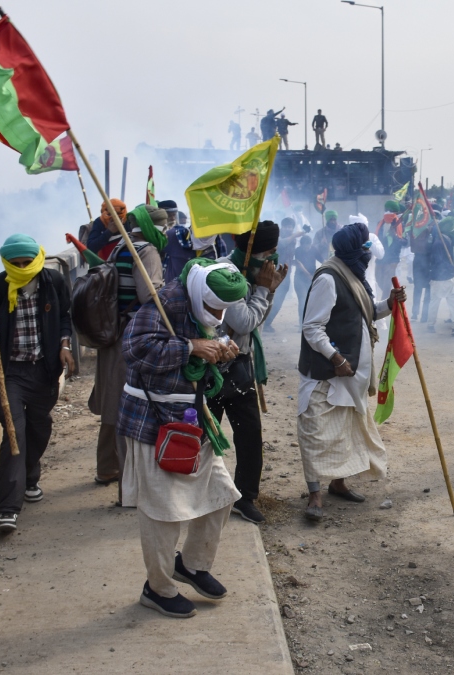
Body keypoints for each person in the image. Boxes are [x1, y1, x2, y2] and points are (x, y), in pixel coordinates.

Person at [118, 257, 248, 619]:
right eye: (212, 305)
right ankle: (157, 588)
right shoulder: (168, 301)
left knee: (222, 494)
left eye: (223, 309)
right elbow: (134, 349)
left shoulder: (206, 309)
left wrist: (220, 351)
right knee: (163, 511)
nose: (216, 313)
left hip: (193, 417)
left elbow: (202, 355)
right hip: (153, 419)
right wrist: (190, 347)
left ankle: (191, 564)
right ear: (199, 291)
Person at [297, 221, 405, 521]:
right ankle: (315, 495)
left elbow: (368, 311)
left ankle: (338, 484)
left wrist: (391, 304)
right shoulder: (329, 278)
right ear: (354, 251)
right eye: (364, 249)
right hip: (327, 372)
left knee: (346, 430)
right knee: (315, 431)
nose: (368, 254)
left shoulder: (352, 274)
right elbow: (312, 327)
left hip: (352, 373)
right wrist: (336, 358)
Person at [0, 235, 75, 533]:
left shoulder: (53, 282)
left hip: (44, 370)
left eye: (26, 262)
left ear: (37, 259)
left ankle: (30, 476)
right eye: (15, 264)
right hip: (10, 372)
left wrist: (64, 345)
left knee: (39, 426)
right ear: (6, 263)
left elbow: (64, 317)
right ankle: (8, 508)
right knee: (13, 432)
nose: (22, 268)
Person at [212, 224, 288, 524]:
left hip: (241, 363)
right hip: (215, 368)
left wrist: (267, 292)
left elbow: (257, 322)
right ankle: (197, 494)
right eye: (267, 253)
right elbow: (242, 321)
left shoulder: (251, 274)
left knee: (250, 436)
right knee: (208, 437)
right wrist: (262, 289)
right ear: (249, 251)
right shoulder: (226, 273)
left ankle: (245, 497)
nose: (271, 258)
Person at [89, 204, 166, 488]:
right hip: (130, 336)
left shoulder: (121, 244)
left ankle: (106, 467)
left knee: (111, 399)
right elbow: (150, 295)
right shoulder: (146, 250)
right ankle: (128, 486)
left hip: (111, 331)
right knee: (127, 405)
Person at [262, 217, 304, 332]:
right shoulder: (277, 236)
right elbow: (281, 244)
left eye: (290, 227)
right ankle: (263, 323)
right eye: (286, 226)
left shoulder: (293, 240)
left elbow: (290, 255)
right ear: (282, 226)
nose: (288, 229)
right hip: (274, 272)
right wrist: (295, 235)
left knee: (279, 300)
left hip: (286, 273)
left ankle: (267, 323)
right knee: (271, 298)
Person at [425, 218, 454, 333]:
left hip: (447, 276)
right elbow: (440, 261)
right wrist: (452, 268)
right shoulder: (440, 243)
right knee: (435, 301)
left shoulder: (445, 240)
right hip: (440, 277)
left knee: (453, 299)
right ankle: (430, 324)